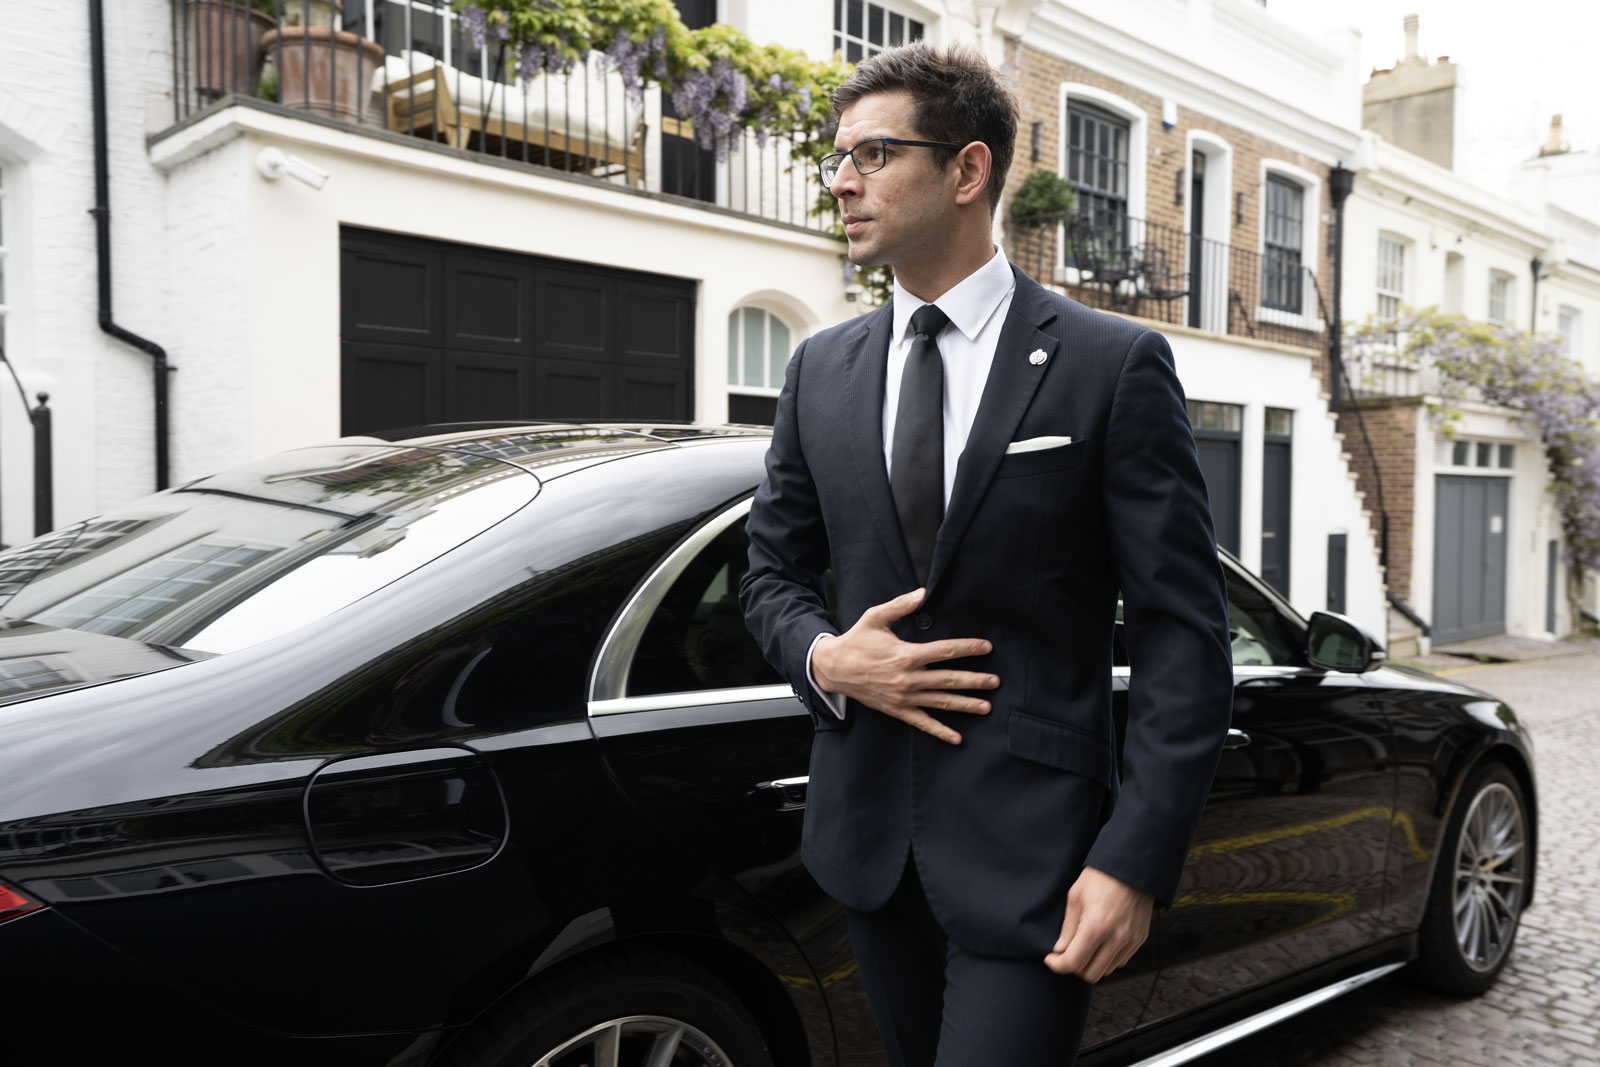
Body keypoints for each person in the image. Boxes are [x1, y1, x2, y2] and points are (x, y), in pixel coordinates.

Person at [738, 41, 1233, 1066]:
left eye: (872, 154)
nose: (841, 180)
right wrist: (827, 658)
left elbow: (1183, 632)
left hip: (1037, 856)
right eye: (837, 156)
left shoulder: (1110, 362)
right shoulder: (819, 368)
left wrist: (1133, 859)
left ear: (966, 171)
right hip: (867, 844)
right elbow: (770, 576)